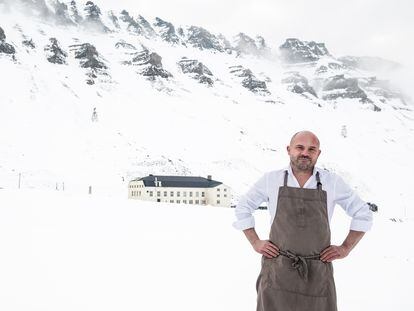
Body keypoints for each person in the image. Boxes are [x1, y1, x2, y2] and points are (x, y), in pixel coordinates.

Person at [233, 130, 373, 311]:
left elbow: (363, 213)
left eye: (311, 149)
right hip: (277, 271)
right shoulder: (271, 179)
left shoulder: (332, 182)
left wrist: (345, 248)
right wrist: (255, 242)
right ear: (289, 149)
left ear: (318, 153)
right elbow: (243, 207)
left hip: (317, 273)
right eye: (300, 147)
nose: (305, 153)